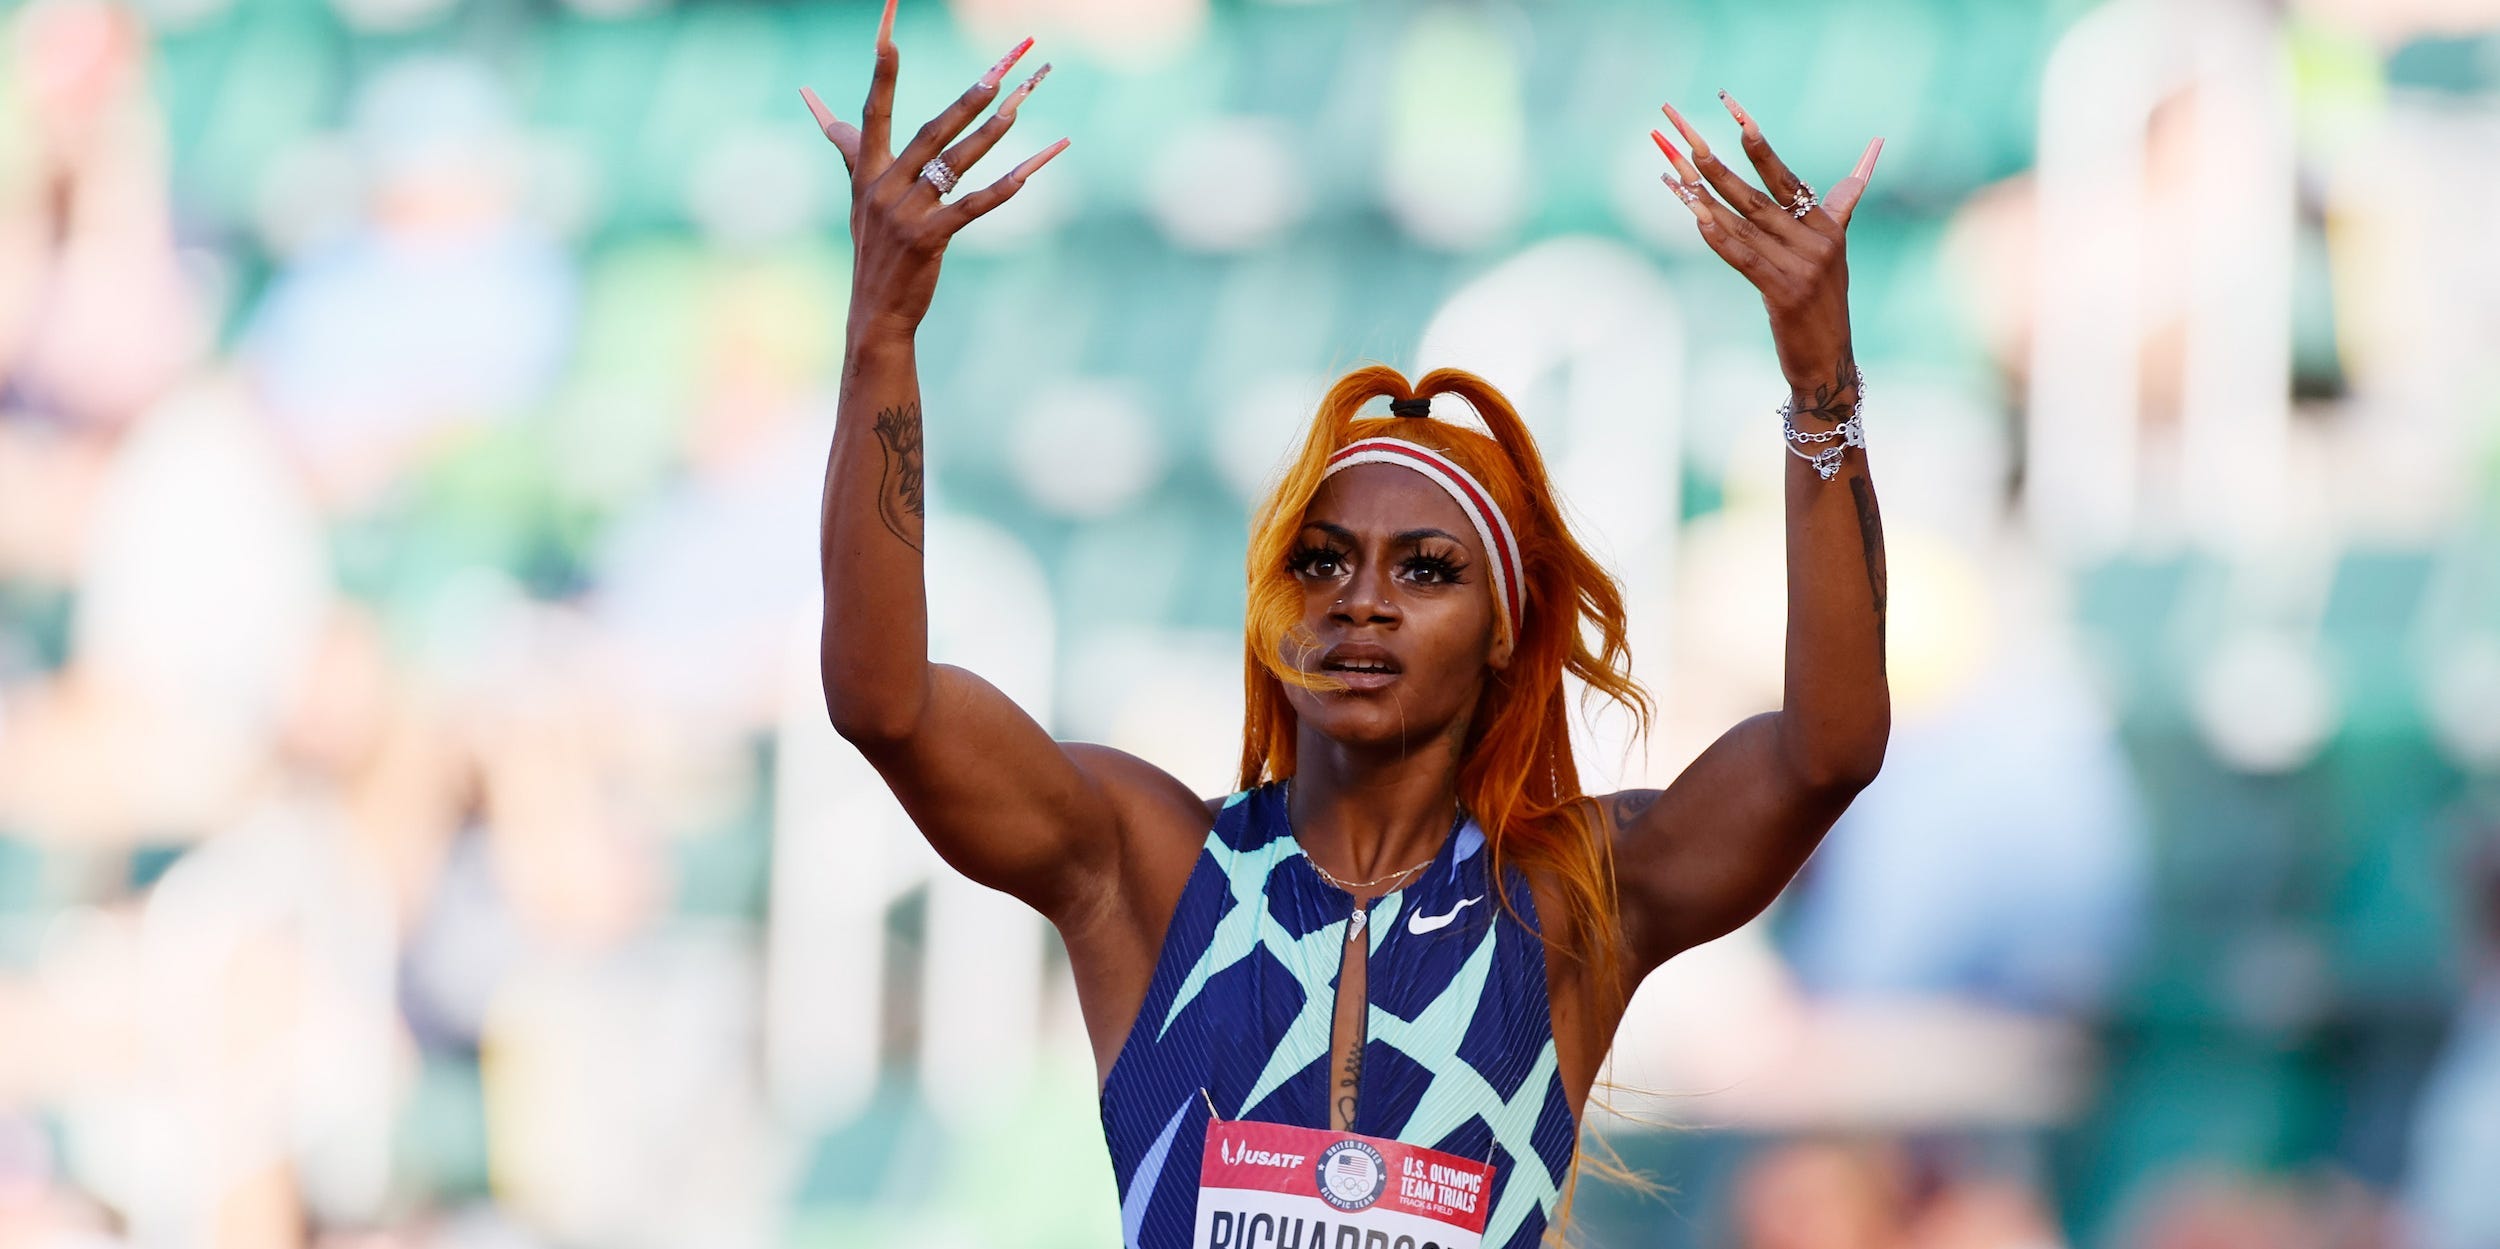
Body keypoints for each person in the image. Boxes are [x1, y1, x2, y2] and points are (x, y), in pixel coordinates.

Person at [802, 5, 1890, 1244]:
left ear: (1503, 631)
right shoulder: (1149, 867)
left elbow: (1827, 750)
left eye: (1426, 570)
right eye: (1320, 562)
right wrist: (880, 335)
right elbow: (882, 703)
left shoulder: (1575, 897)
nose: (1359, 597)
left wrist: (1821, 382)